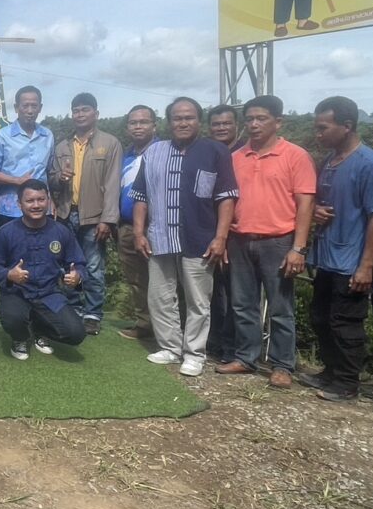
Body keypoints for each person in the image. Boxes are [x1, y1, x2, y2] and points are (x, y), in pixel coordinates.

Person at [131, 96, 238, 377]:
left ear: (199, 121)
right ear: (169, 122)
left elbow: (226, 197)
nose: (183, 123)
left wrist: (221, 237)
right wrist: (139, 232)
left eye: (189, 117)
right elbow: (141, 196)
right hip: (160, 237)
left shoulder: (215, 151)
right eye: (177, 118)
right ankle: (169, 347)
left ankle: (194, 353)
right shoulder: (153, 152)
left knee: (198, 301)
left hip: (199, 238)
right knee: (160, 297)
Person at [216, 95, 315, 389]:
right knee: (242, 304)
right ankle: (246, 358)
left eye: (261, 118)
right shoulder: (235, 157)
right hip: (239, 239)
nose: (254, 124)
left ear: (278, 122)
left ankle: (282, 365)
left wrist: (298, 248)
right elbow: (227, 201)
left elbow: (306, 204)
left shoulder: (295, 156)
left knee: (280, 307)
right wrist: (223, 238)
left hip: (279, 241)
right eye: (249, 119)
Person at [300, 96, 373, 401]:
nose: (318, 133)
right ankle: (330, 371)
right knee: (321, 317)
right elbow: (322, 202)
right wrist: (316, 211)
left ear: (347, 126)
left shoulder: (370, 165)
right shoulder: (329, 161)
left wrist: (366, 265)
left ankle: (347, 382)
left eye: (323, 127)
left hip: (351, 261)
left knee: (345, 323)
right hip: (327, 257)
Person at [0, 179, 86, 360]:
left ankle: (41, 330)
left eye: (41, 199)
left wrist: (77, 276)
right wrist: (9, 274)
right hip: (17, 293)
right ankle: (20, 338)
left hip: (49, 294)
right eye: (30, 201)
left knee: (76, 333)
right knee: (13, 318)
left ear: (48, 201)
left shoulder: (61, 232)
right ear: (19, 204)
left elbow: (78, 263)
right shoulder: (6, 233)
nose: (36, 205)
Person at [48, 92, 121, 336]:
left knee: (93, 266)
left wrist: (108, 219)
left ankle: (92, 314)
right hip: (66, 214)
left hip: (95, 216)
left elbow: (113, 184)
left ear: (96, 113)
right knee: (67, 266)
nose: (80, 114)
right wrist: (59, 178)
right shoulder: (62, 146)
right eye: (76, 110)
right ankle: (74, 308)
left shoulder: (110, 143)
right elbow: (51, 180)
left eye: (85, 110)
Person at [0, 86, 55, 227]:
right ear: (16, 108)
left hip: (41, 209)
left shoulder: (47, 136)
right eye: (25, 106)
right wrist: (17, 180)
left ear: (40, 108)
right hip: (11, 210)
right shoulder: (2, 136)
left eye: (34, 106)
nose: (30, 111)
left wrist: (52, 200)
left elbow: (49, 172)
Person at [205, 103, 244, 361]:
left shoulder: (245, 153)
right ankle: (214, 341)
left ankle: (234, 348)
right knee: (212, 292)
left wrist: (225, 236)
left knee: (236, 295)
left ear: (236, 125)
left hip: (238, 234)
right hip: (209, 232)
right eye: (216, 124)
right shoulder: (207, 152)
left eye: (226, 123)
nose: (221, 128)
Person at [116, 104, 157, 341]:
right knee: (137, 280)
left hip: (156, 227)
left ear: (154, 125)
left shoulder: (164, 151)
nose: (138, 126)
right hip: (127, 226)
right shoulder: (125, 156)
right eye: (133, 123)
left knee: (166, 280)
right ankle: (145, 324)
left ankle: (172, 329)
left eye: (143, 122)